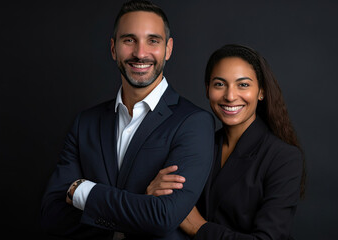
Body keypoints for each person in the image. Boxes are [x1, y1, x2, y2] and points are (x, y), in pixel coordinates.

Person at [40, 1, 214, 239]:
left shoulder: (194, 122)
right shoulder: (86, 123)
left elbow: (162, 217)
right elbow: (52, 216)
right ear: (113, 48)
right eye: (129, 40)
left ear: (168, 49)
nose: (140, 53)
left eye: (153, 40)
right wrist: (141, 200)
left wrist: (80, 190)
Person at [146, 44, 306, 239]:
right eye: (219, 84)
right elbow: (167, 206)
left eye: (243, 85)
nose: (230, 96)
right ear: (207, 89)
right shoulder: (197, 145)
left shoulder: (283, 157)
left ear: (261, 91)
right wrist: (152, 196)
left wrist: (199, 227)